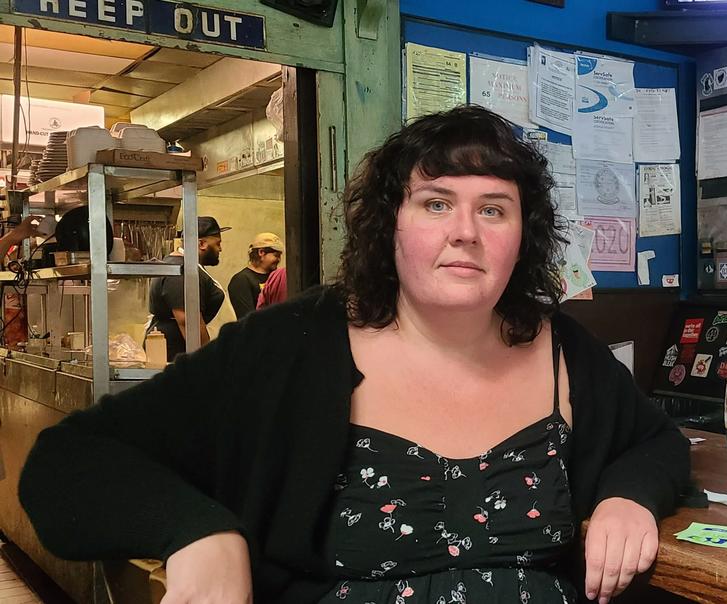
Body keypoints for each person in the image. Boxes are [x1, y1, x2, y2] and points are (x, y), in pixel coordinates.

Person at [19, 106, 690, 604]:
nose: (464, 233)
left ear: (524, 236)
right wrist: (200, 535)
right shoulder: (290, 346)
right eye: (435, 203)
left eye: (494, 210)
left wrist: (630, 498)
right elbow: (66, 463)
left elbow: (659, 444)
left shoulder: (562, 349)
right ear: (389, 224)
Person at [146, 216, 228, 361]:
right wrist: (206, 362)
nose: (220, 249)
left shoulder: (186, 266)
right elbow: (188, 321)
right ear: (202, 243)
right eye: (217, 243)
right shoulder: (181, 270)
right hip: (176, 354)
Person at [228, 233, 283, 320]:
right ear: (261, 252)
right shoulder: (241, 280)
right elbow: (247, 319)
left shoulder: (276, 277)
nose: (279, 259)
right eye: (276, 255)